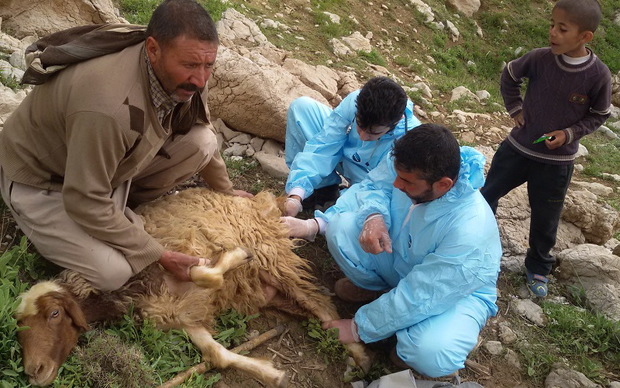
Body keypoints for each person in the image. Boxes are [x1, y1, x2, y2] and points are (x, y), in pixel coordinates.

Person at [0, 0, 251, 291]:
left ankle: (120, 216)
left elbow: (198, 124)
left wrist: (225, 190)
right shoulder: (107, 108)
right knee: (113, 272)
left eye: (209, 65)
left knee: (202, 142)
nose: (200, 78)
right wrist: (158, 253)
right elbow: (84, 199)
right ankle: (107, 221)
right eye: (191, 65)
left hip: (103, 167)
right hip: (45, 180)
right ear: (153, 49)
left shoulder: (188, 71)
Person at [322, 124, 502, 378]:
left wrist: (357, 328)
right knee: (340, 230)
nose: (397, 184)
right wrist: (374, 216)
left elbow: (424, 292)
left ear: (443, 185)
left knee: (431, 353)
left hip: (456, 291)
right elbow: (377, 186)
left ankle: (402, 335)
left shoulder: (469, 229)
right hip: (404, 259)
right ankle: (381, 295)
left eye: (405, 181)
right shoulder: (411, 162)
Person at [480, 0, 612, 298]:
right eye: (551, 24)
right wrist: (515, 107)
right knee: (487, 195)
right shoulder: (539, 59)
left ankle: (538, 267)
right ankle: (479, 244)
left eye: (562, 28)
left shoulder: (598, 76)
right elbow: (510, 75)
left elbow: (599, 114)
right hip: (517, 149)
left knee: (546, 217)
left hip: (556, 163)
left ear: (584, 37)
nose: (552, 32)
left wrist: (569, 134)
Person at [281, 76, 421, 240]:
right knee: (302, 108)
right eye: (359, 126)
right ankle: (323, 190)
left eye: (373, 133)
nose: (362, 137)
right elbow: (325, 144)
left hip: (369, 178)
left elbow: (377, 189)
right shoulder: (356, 100)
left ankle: (338, 207)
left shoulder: (408, 140)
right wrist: (296, 194)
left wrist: (312, 226)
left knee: (374, 206)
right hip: (346, 156)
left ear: (395, 123)